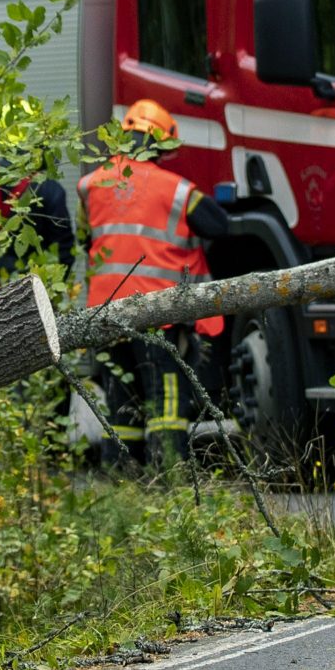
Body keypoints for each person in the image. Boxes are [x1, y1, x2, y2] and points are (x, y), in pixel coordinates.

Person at [78, 99, 226, 467]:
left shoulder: (91, 184)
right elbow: (218, 225)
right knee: (167, 394)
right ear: (161, 144)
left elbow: (87, 240)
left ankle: (119, 473)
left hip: (105, 312)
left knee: (119, 393)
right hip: (156, 312)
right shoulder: (175, 190)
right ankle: (169, 471)